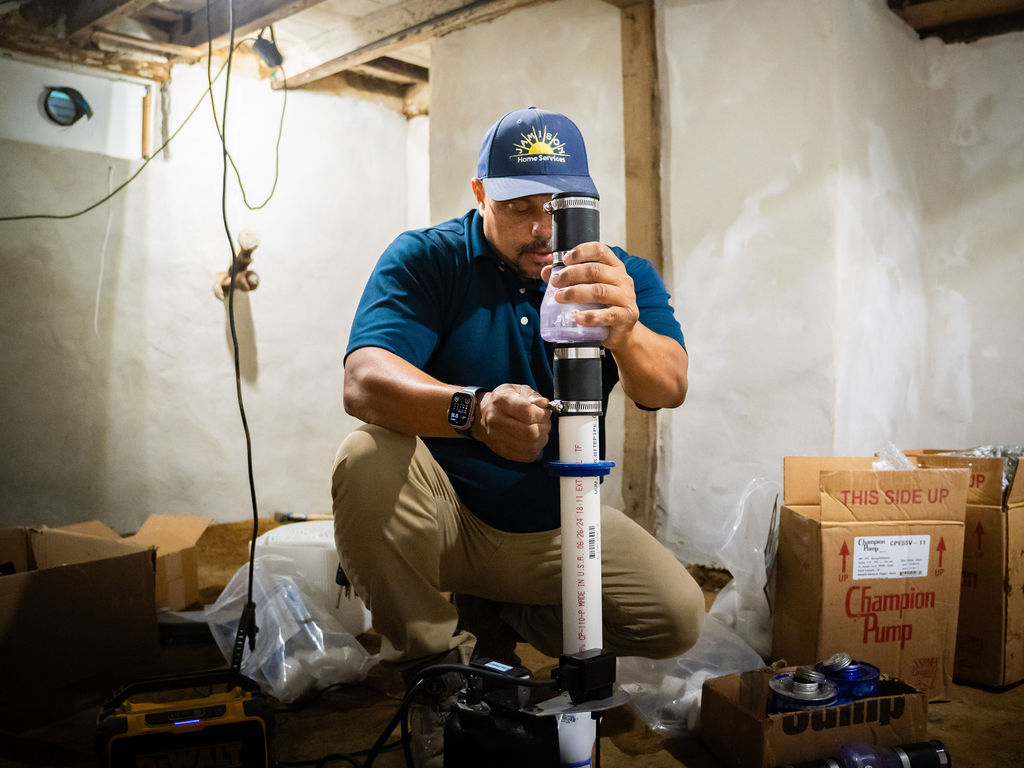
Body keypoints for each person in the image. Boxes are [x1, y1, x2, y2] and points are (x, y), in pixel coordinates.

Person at [331, 107, 705, 765]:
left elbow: (667, 386)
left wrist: (625, 330)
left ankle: (506, 614)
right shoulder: (430, 258)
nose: (540, 229)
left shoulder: (617, 275)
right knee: (365, 456)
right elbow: (363, 381)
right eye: (517, 207)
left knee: (676, 616)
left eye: (556, 208)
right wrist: (470, 411)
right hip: (449, 521)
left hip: (563, 523)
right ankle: (437, 669)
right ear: (480, 195)